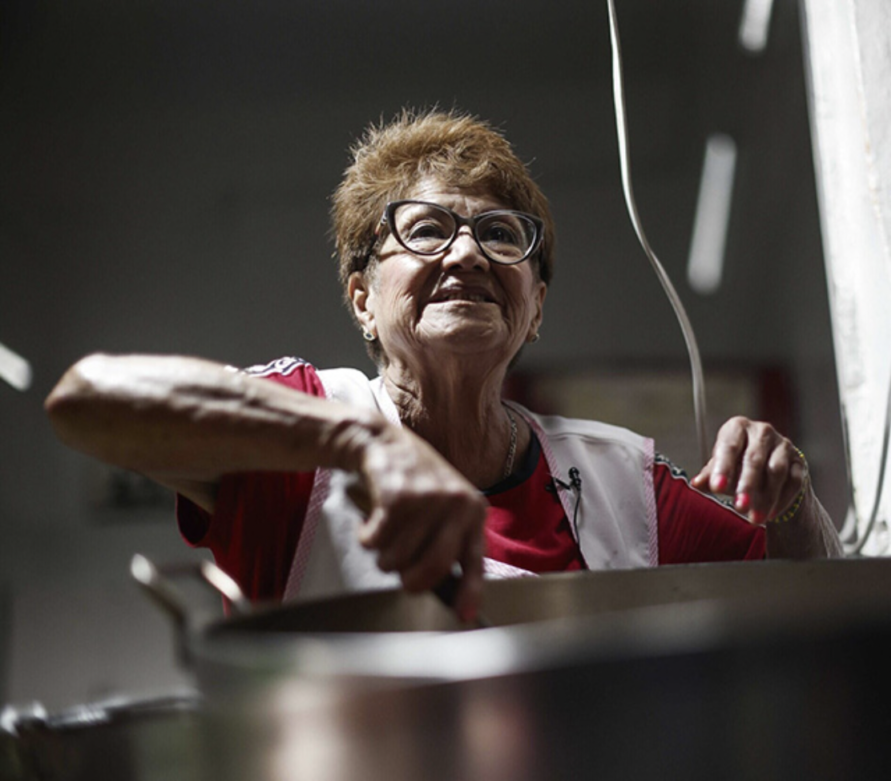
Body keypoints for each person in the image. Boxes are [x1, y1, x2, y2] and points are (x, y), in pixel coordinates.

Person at [45, 109, 841, 621]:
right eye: (425, 230)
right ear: (362, 299)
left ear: (535, 308)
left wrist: (792, 496)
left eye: (500, 234)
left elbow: (816, 599)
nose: (467, 253)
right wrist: (358, 444)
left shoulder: (619, 483)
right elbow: (86, 398)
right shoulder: (310, 427)